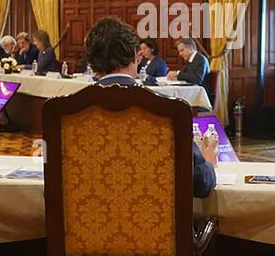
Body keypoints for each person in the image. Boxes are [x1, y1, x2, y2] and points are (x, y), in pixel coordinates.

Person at [86, 17, 216, 198]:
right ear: (135, 57)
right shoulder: (168, 110)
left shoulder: (65, 112)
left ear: (91, 63)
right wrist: (208, 164)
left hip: (89, 223)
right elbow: (202, 184)